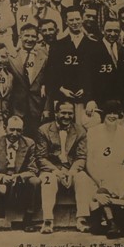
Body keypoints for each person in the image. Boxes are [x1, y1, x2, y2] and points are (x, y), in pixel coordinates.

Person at [35, 100, 96, 234]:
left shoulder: (80, 130)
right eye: (63, 113)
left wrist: (72, 171)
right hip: (52, 170)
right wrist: (57, 171)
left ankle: (82, 218)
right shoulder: (44, 130)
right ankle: (48, 220)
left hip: (71, 169)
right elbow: (41, 157)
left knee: (83, 177)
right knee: (47, 180)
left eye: (70, 113)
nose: (67, 117)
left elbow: (81, 156)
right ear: (56, 113)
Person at [0, 115, 41, 233]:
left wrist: (19, 177)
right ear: (5, 128)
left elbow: (33, 169)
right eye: (12, 129)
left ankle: (28, 219)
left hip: (20, 183)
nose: (15, 134)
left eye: (19, 130)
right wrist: (1, 178)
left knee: (35, 181)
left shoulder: (29, 143)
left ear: (23, 130)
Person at [43, 6, 102, 123]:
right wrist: (61, 89)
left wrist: (87, 91)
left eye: (77, 19)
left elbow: (98, 74)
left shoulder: (94, 45)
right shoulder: (58, 45)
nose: (75, 23)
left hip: (86, 100)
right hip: (63, 98)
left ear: (82, 20)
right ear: (66, 22)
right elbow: (50, 73)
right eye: (71, 20)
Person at [8, 23, 47, 137]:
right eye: (27, 36)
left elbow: (48, 84)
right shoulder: (11, 57)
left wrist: (46, 108)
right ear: (20, 37)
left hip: (37, 108)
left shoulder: (44, 57)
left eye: (33, 36)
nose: (30, 39)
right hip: (16, 107)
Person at [91, 18, 124, 106]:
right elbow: (88, 77)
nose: (112, 34)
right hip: (99, 101)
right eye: (109, 31)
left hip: (120, 101)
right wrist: (90, 100)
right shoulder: (92, 50)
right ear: (102, 31)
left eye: (116, 31)